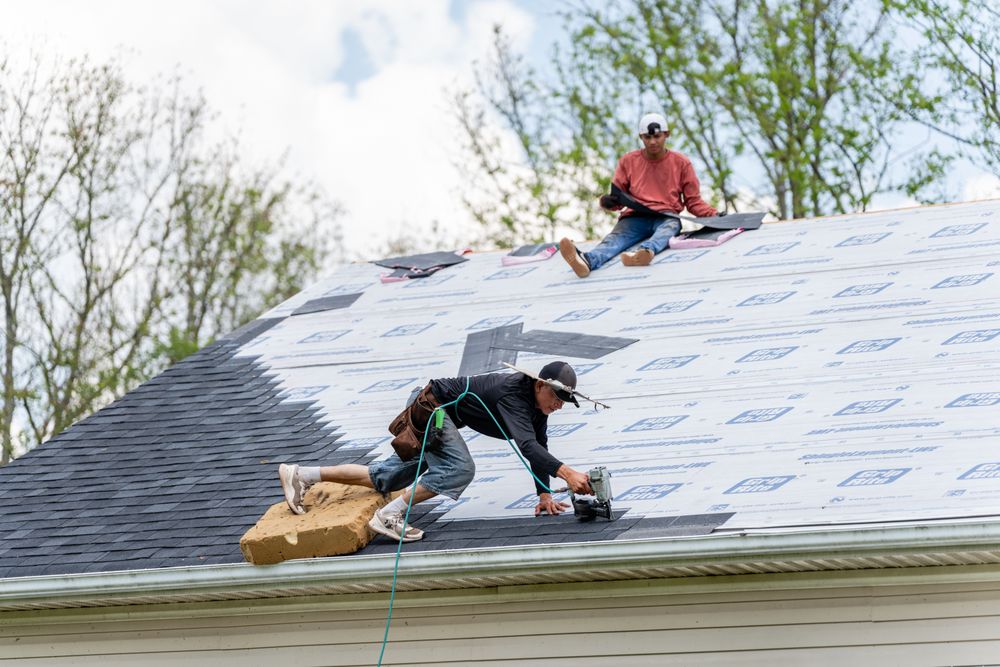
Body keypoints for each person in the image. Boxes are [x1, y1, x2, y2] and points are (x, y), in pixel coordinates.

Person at [278, 361, 594, 542]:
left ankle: (301, 474)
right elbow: (526, 446)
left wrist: (543, 495)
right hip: (433, 407)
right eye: (557, 396)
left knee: (386, 477)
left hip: (433, 409)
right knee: (460, 469)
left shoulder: (538, 411)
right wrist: (566, 473)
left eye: (565, 401)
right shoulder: (512, 394)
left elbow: (537, 448)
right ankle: (388, 516)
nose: (559, 404)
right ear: (540, 385)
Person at [560, 112, 723, 278]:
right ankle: (587, 261)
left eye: (657, 137)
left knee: (669, 229)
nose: (652, 142)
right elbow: (618, 198)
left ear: (666, 134)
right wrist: (608, 202)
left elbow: (693, 202)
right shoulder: (628, 161)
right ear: (641, 137)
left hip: (665, 216)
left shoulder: (681, 163)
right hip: (635, 217)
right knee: (615, 239)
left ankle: (644, 252)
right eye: (647, 137)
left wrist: (714, 215)